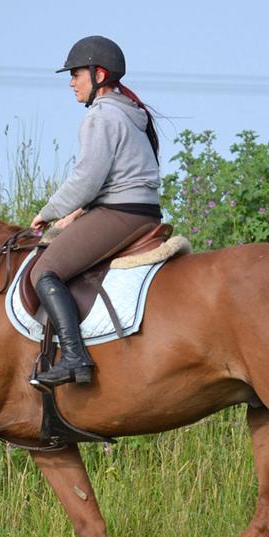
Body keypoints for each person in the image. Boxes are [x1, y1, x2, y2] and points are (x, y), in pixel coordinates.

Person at [27, 35, 162, 389]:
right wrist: (77, 214)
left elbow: (86, 178)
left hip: (122, 213)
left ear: (98, 74)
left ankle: (74, 357)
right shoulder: (129, 113)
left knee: (44, 271)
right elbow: (111, 178)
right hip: (140, 210)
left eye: (76, 74)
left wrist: (49, 211)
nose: (71, 82)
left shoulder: (101, 116)